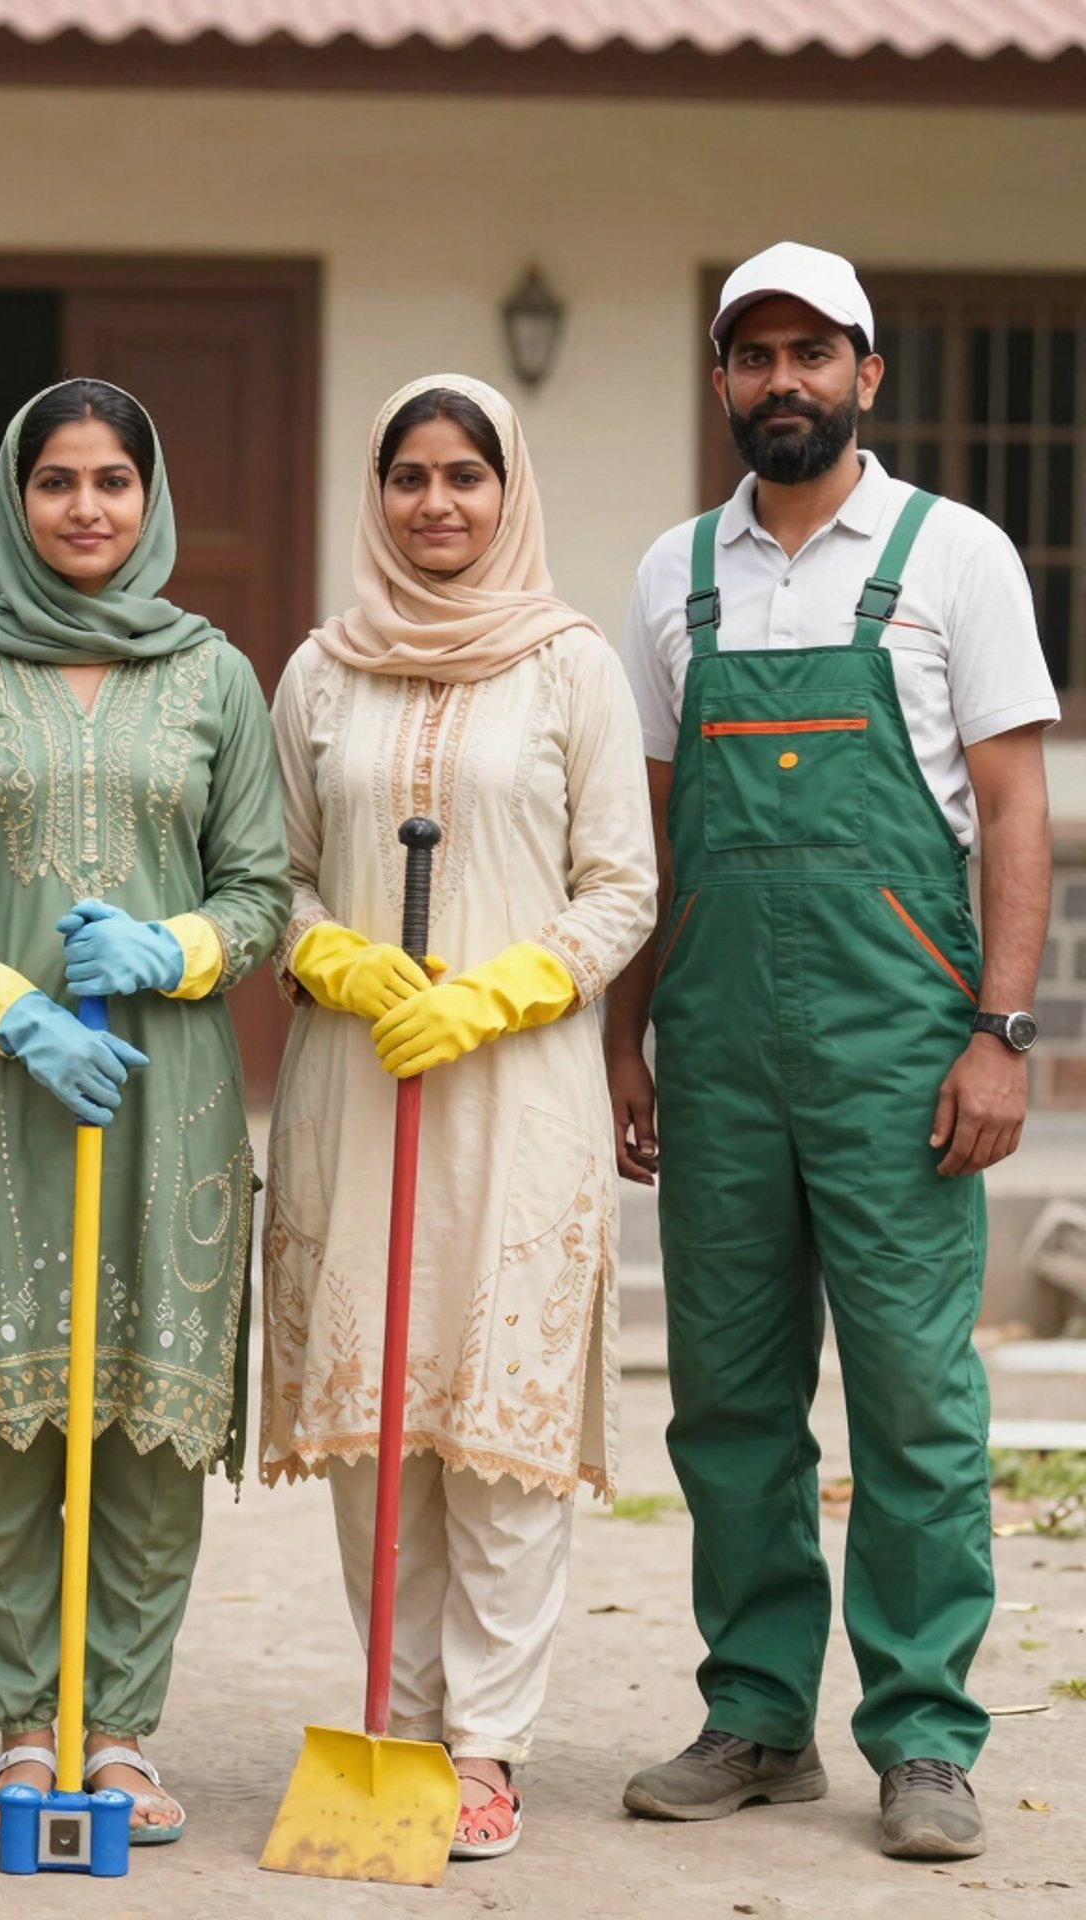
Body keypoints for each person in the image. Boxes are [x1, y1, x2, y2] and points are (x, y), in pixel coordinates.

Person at [610, 243, 1058, 1862]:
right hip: (716, 1041)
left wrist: (1004, 1037)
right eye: (753, 354)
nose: (782, 381)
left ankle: (926, 1737)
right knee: (728, 1399)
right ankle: (753, 1715)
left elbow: (1017, 812)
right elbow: (651, 838)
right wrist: (626, 1041)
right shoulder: (674, 573)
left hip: (900, 1045)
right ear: (721, 378)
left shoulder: (957, 557)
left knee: (917, 1400)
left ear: (870, 373)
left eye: (814, 353)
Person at [0, 377, 290, 1844]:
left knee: (150, 1418)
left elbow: (266, 892)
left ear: (151, 497)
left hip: (168, 1102)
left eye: (114, 480)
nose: (88, 508)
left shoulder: (215, 675)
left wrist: (176, 950)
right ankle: (15, 1735)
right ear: (16, 499)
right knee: (2, 1423)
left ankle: (117, 1733)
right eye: (58, 482)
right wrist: (12, 1008)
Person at [263, 374, 656, 1858]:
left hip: (517, 1089)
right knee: (376, 1430)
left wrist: (505, 990)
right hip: (356, 1088)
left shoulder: (570, 671)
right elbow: (279, 876)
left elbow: (623, 883)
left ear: (510, 492)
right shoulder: (319, 670)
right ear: (378, 494)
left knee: (498, 1427)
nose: (437, 504)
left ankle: (485, 1745)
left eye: (466, 478)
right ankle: (395, 1726)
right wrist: (328, 953)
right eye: (410, 477)